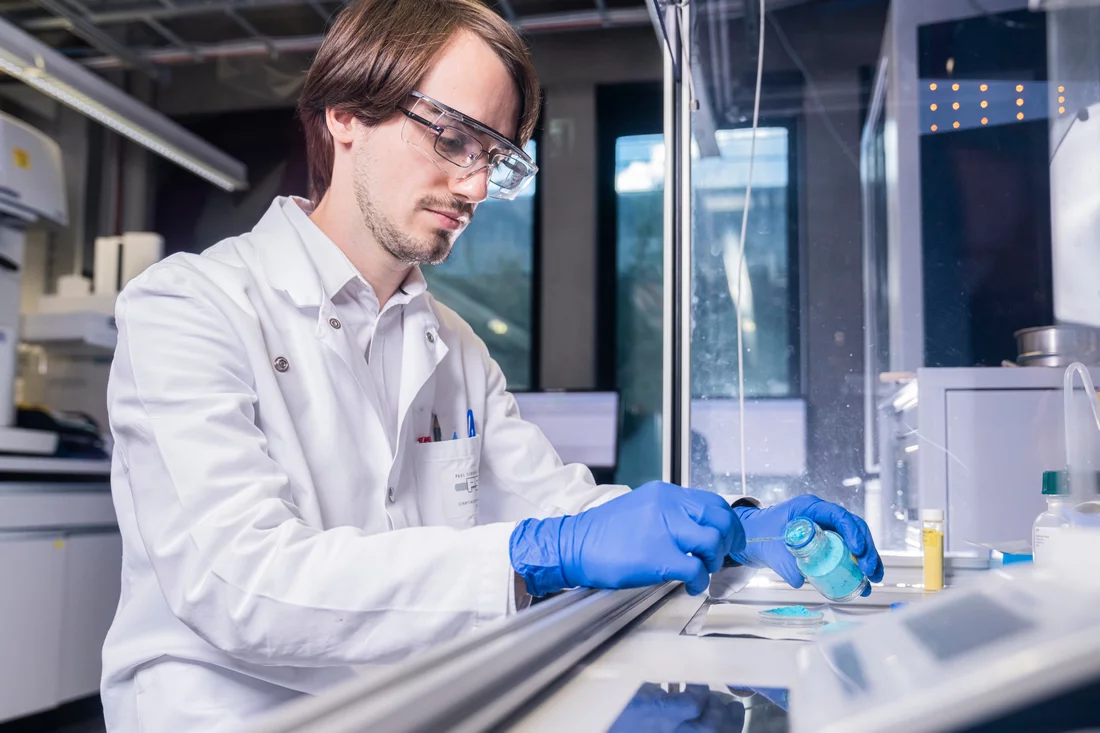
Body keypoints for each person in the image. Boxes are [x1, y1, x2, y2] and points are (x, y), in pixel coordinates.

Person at [99, 1, 884, 730]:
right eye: (451, 138)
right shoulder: (188, 307)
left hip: (420, 705)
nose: (475, 185)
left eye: (497, 156)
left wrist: (734, 527)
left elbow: (565, 512)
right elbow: (240, 583)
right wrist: (531, 552)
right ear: (345, 113)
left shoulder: (453, 343)